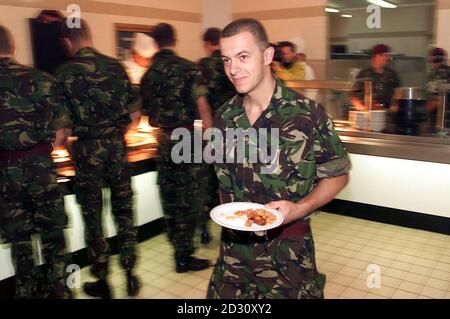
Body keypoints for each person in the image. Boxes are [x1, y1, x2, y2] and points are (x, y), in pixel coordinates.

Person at [206, 18, 351, 299]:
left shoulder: (307, 114)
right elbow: (223, 182)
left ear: (267, 56)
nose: (233, 69)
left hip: (289, 255)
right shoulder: (224, 117)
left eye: (243, 57)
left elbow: (338, 174)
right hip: (234, 253)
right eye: (226, 60)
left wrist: (300, 208)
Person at [55, 19, 141, 299]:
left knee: (93, 216)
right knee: (124, 210)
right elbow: (134, 115)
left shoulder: (64, 73)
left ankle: (102, 280)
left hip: (87, 149)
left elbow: (62, 128)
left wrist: (68, 146)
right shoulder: (116, 66)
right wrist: (115, 135)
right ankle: (130, 274)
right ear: (89, 36)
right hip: (116, 147)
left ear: (68, 42)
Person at [0, 25, 71, 298]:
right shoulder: (42, 79)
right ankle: (58, 290)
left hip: (5, 175)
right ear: (13, 46)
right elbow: (62, 133)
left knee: (20, 242)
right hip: (41, 167)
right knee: (53, 236)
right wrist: (42, 150)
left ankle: (26, 291)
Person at [140, 23, 213, 273]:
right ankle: (186, 254)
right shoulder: (189, 69)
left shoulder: (149, 74)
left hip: (164, 141)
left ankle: (177, 249)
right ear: (175, 39)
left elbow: (145, 113)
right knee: (191, 198)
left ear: (156, 43)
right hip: (189, 140)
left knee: (170, 198)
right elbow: (203, 109)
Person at [196, 27, 236, 244]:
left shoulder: (201, 66)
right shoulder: (230, 63)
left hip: (210, 130)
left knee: (208, 181)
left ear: (206, 43)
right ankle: (229, 228)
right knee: (230, 181)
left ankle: (203, 228)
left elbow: (200, 104)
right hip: (235, 130)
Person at [350, 44, 400, 111]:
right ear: (377, 56)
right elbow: (353, 95)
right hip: (368, 112)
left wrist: (394, 106)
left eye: (388, 56)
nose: (387, 58)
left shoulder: (391, 74)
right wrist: (360, 107)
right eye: (385, 55)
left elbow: (398, 92)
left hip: (387, 112)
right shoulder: (364, 74)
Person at [425, 47, 450, 132]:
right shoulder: (435, 73)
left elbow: (436, 101)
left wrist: (423, 111)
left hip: (441, 121)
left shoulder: (440, 73)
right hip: (440, 120)